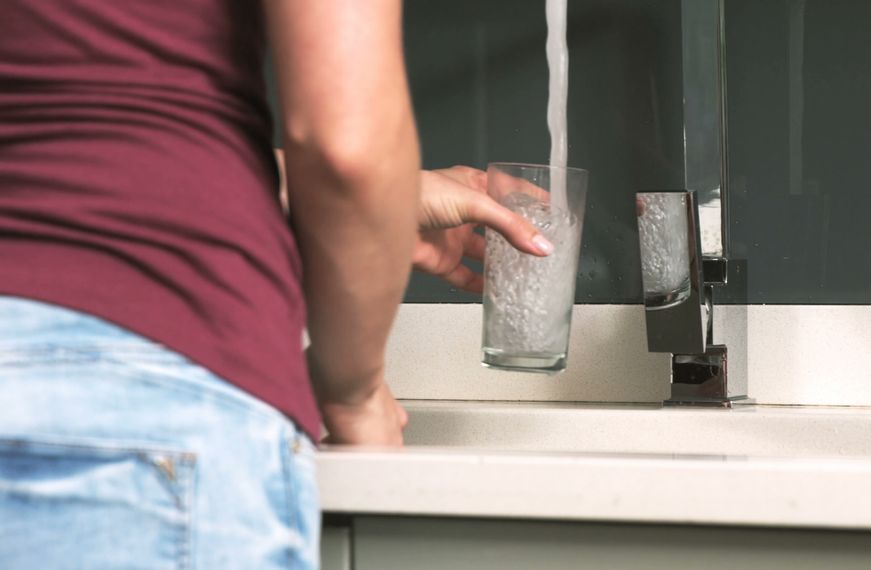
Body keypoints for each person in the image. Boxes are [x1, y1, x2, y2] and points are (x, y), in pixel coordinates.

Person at [0, 0, 548, 567]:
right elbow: (347, 148)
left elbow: (84, 142)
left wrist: (394, 197)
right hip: (146, 394)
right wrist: (353, 394)